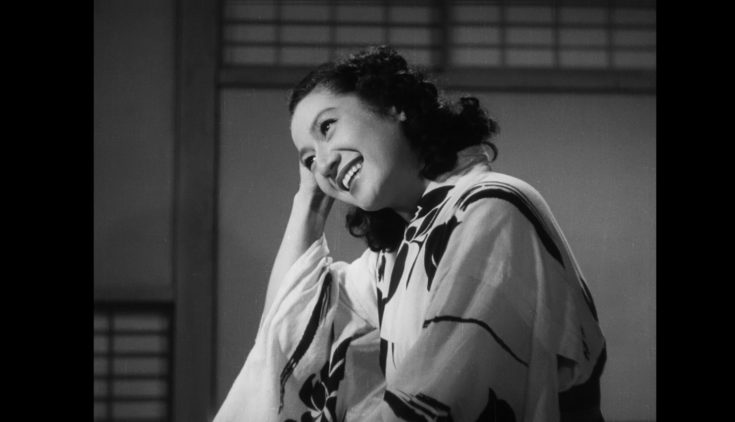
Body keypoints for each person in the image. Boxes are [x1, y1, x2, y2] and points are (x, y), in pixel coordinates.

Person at [214, 45, 606, 422]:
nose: (324, 164)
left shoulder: (490, 206)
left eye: (328, 127)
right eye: (309, 159)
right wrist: (310, 200)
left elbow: (446, 397)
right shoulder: (393, 259)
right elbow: (288, 333)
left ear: (391, 105)